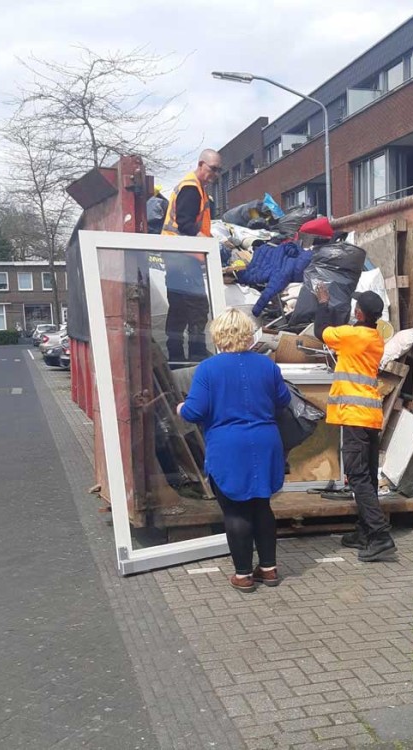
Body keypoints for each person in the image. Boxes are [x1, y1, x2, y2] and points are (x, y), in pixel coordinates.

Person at [177, 308, 291, 592]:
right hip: (266, 442)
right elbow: (284, 400)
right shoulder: (267, 366)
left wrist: (181, 407)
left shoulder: (208, 368)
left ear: (218, 336)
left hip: (228, 445)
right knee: (262, 505)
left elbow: (194, 412)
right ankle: (269, 569)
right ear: (248, 335)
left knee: (235, 510)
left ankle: (243, 574)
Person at [314, 283, 397, 562]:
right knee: (368, 476)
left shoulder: (352, 336)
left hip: (354, 415)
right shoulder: (373, 337)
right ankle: (364, 530)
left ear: (359, 314)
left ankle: (380, 536)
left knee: (357, 476)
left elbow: (320, 332)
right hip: (370, 416)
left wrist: (324, 303)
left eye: (356, 306)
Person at [161, 150, 223, 362]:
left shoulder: (194, 187)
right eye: (212, 169)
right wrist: (206, 243)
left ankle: (176, 357)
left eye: (218, 170)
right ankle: (195, 356)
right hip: (183, 256)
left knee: (178, 307)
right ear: (201, 164)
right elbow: (186, 223)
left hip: (177, 255)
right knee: (197, 308)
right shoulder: (191, 188)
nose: (215, 174)